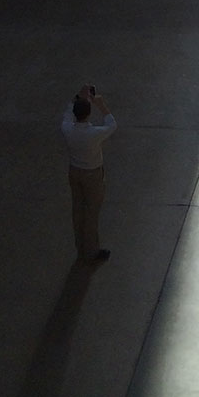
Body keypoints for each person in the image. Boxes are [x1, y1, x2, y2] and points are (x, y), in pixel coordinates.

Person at [61, 86, 117, 264]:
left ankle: (80, 248)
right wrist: (101, 104)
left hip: (74, 171)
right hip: (92, 174)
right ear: (89, 113)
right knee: (92, 212)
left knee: (77, 210)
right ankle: (91, 251)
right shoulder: (94, 134)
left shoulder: (67, 129)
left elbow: (68, 112)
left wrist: (78, 96)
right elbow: (112, 124)